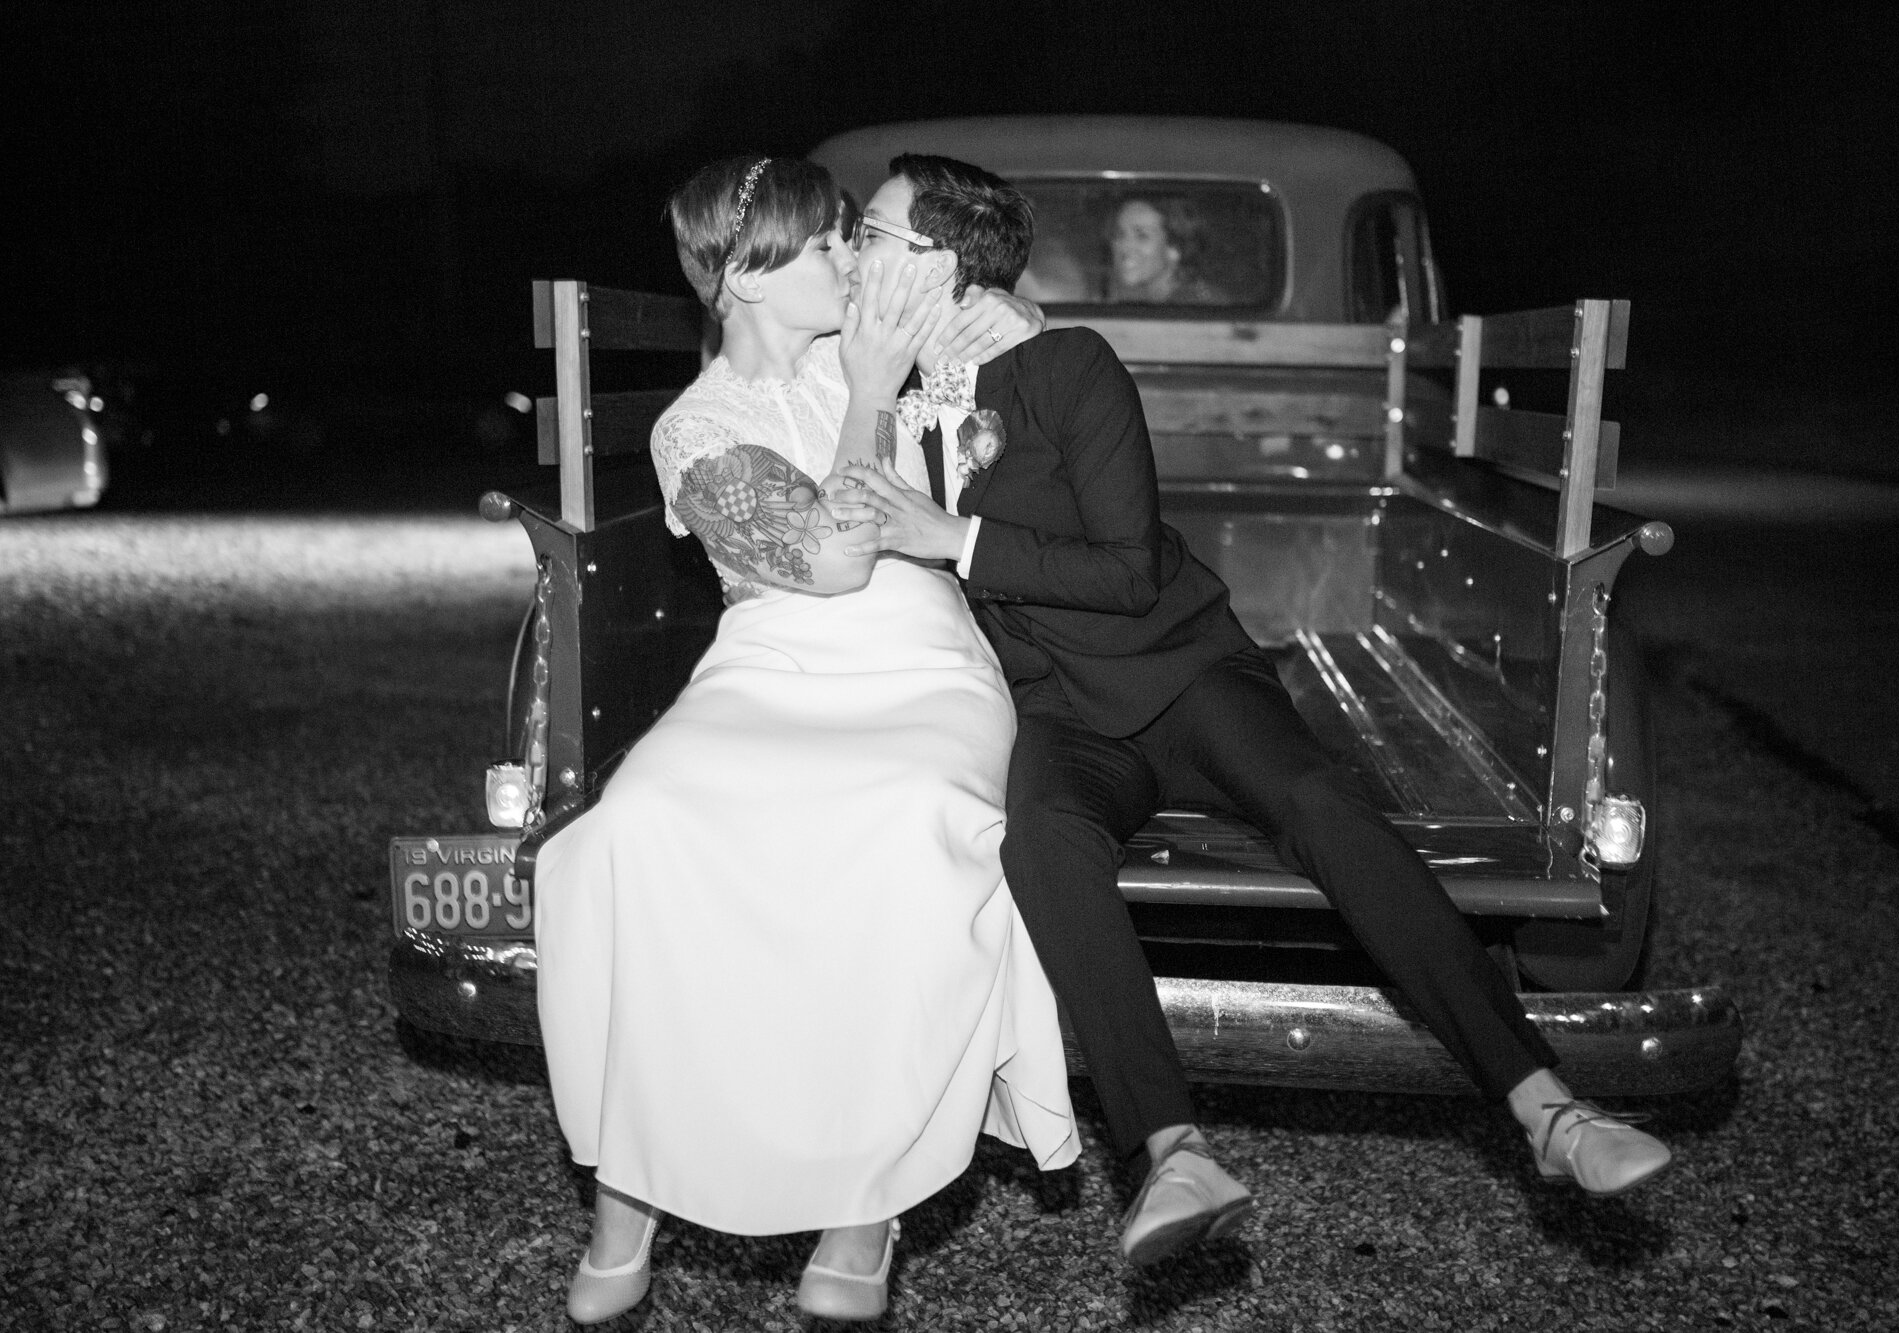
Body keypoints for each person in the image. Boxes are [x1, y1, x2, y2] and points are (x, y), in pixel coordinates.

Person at [838, 153, 1676, 1268]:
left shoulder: (1069, 365)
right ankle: (1171, 1152)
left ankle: (1546, 1108)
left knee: (1315, 800)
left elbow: (1129, 567)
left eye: (875, 236)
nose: (853, 252)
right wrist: (869, 385)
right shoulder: (864, 382)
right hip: (1054, 715)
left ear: (940, 264)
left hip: (1181, 670)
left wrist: (955, 537)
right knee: (1042, 839)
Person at [532, 154, 1079, 1326]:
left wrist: (990, 314)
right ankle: (629, 1194)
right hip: (773, 657)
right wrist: (874, 393)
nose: (850, 260)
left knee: (905, 825)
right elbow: (828, 564)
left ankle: (860, 1205)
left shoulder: (873, 348)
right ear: (742, 278)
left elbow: (1027, 341)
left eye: (848, 237)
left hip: (921, 660)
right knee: (640, 828)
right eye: (825, 245)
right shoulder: (694, 426)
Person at [1108, 195, 1220, 304]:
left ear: (1175, 248)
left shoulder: (1199, 309)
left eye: (1142, 236)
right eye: (1119, 234)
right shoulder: (1145, 301)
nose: (1124, 245)